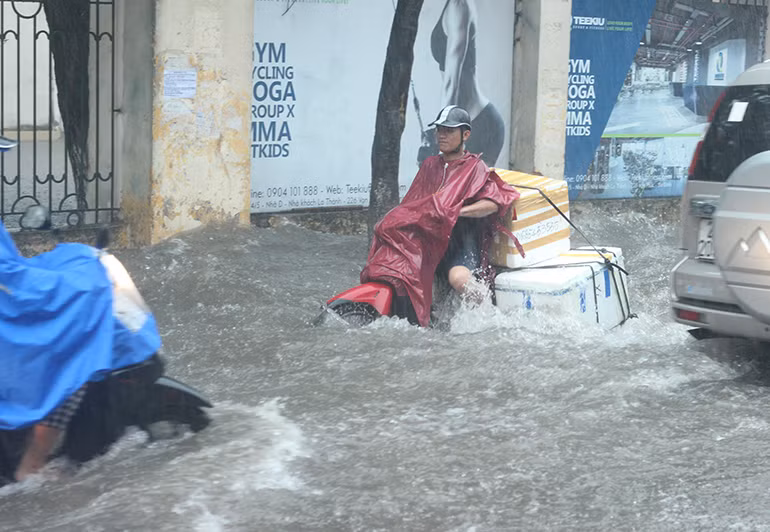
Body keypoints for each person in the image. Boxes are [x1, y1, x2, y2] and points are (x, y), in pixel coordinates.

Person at [361, 105, 523, 327]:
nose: (442, 135)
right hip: (428, 244)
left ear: (465, 135)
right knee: (393, 270)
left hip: (460, 244)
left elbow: (493, 203)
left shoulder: (476, 167)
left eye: (449, 130)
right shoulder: (429, 166)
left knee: (458, 279)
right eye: (439, 130)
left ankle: (490, 317)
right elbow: (413, 206)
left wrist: (457, 211)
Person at [419, 0, 506, 167]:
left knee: (467, 190)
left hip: (479, 124)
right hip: (461, 126)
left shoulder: (460, 7)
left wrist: (442, 140)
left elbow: (452, 83)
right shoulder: (452, 5)